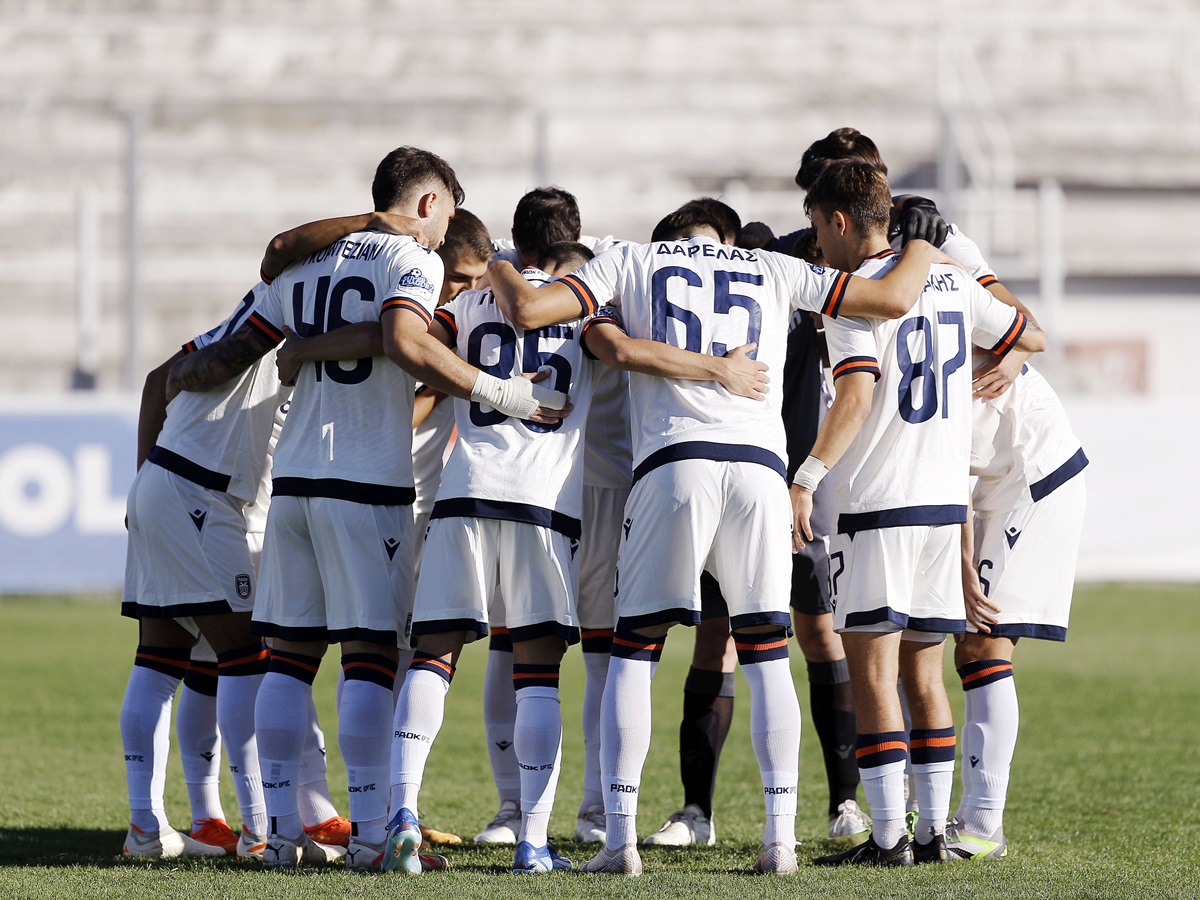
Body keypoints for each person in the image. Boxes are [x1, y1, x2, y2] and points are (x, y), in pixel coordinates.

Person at [489, 197, 948, 876]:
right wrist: (926, 244)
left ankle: (620, 840)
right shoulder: (774, 266)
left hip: (673, 466)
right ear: (725, 237)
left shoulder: (634, 259)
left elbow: (528, 313)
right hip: (762, 474)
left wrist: (499, 260)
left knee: (635, 654)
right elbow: (891, 298)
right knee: (766, 659)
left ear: (669, 233)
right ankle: (781, 841)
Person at [166, 146, 568, 870]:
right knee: (370, 660)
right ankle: (377, 838)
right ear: (426, 203)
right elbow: (406, 342)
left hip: (293, 484)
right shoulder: (410, 261)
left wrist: (305, 351)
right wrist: (504, 392)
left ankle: (282, 832)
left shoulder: (306, 263)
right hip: (365, 483)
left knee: (288, 661)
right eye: (446, 209)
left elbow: (270, 288)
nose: (446, 235)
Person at [120, 208, 424, 861]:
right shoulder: (279, 317)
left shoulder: (245, 318)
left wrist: (143, 477)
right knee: (246, 658)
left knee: (165, 658)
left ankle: (155, 826)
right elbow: (288, 256)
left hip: (166, 482)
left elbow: (158, 381)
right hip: (204, 490)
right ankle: (260, 830)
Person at [789, 161, 1045, 867]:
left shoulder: (851, 295)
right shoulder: (954, 277)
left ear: (839, 220)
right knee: (925, 676)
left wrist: (806, 478)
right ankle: (933, 833)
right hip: (941, 504)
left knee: (873, 674)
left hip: (878, 505)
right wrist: (1003, 364)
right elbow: (1030, 332)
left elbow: (857, 397)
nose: (817, 242)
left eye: (816, 226)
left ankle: (888, 835)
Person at [947, 319, 1088, 863]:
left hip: (1034, 483)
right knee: (969, 644)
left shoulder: (937, 282)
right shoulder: (933, 287)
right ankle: (961, 815)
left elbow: (950, 476)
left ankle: (983, 826)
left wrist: (963, 571)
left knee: (982, 643)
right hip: (1006, 484)